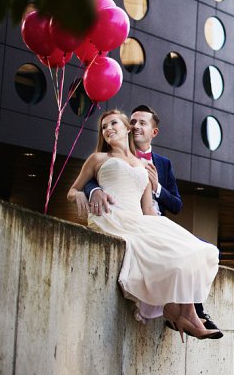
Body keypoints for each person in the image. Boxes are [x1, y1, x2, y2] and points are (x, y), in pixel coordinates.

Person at [68, 109, 221, 341]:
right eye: (104, 127)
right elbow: (73, 189)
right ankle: (183, 314)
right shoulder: (98, 158)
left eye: (113, 124)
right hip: (113, 218)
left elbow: (148, 209)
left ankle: (187, 313)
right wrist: (86, 193)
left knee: (198, 250)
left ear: (126, 128)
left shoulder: (144, 165)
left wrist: (164, 232)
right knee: (170, 253)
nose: (108, 129)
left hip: (138, 218)